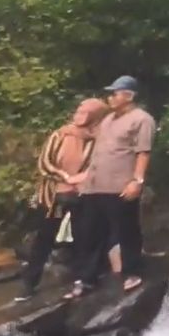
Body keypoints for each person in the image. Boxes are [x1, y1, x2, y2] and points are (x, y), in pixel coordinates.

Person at [68, 75, 155, 298]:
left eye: (114, 93)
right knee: (89, 233)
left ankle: (132, 272)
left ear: (128, 96)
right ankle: (87, 279)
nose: (110, 97)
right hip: (95, 186)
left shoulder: (142, 119)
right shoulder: (108, 120)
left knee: (127, 231)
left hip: (121, 185)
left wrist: (137, 181)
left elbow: (143, 152)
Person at [15, 98, 106, 302]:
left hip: (83, 194)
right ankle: (29, 284)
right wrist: (65, 178)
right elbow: (45, 163)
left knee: (85, 237)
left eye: (86, 112)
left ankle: (84, 280)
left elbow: (99, 164)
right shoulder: (60, 134)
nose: (79, 114)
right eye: (79, 110)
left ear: (96, 116)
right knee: (43, 239)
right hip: (53, 195)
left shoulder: (99, 139)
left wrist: (81, 180)